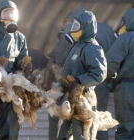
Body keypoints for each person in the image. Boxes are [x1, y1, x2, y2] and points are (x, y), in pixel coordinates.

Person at [48, 7, 115, 140]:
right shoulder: (77, 45)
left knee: (81, 134)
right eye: (74, 25)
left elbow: (99, 73)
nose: (73, 29)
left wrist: (79, 81)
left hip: (83, 99)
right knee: (61, 132)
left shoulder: (92, 47)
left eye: (77, 26)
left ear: (86, 28)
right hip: (69, 95)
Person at [0, 0, 29, 139]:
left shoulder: (19, 38)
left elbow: (22, 63)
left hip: (9, 90)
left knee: (10, 130)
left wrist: (24, 70)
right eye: (6, 14)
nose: (10, 18)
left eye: (13, 14)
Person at [106, 8, 134, 140]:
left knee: (125, 131)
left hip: (127, 89)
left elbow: (110, 64)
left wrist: (106, 79)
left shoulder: (125, 39)